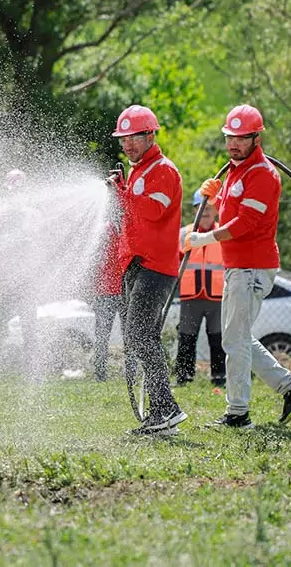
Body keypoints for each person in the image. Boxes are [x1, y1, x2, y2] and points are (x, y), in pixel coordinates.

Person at [187, 105, 291, 429]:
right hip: (238, 267)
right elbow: (230, 213)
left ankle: (238, 413)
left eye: (242, 138)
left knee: (236, 340)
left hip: (253, 268)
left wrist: (205, 239)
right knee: (237, 338)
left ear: (256, 138)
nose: (234, 144)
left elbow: (246, 223)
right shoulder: (234, 172)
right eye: (230, 137)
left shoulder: (263, 174)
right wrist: (212, 200)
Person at [108, 104, 187, 434]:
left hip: (156, 268)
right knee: (141, 337)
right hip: (137, 265)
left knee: (140, 335)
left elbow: (154, 211)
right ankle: (161, 413)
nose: (128, 145)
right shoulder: (138, 172)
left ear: (150, 135)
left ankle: (166, 408)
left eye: (134, 138)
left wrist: (123, 194)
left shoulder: (163, 171)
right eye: (123, 139)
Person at [0, 169, 42, 378]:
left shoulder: (33, 215)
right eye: (13, 190)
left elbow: (39, 244)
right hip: (1, 277)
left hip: (26, 277)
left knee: (29, 326)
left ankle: (31, 371)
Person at [175, 190, 225, 386]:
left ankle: (219, 377)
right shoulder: (183, 234)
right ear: (195, 210)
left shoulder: (222, 233)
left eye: (209, 208)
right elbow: (175, 261)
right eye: (201, 208)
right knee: (186, 336)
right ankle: (184, 377)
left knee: (218, 337)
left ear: (216, 212)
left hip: (217, 296)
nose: (204, 212)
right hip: (190, 296)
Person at [92, 203, 123, 381]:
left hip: (126, 289)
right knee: (102, 335)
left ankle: (131, 375)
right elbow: (95, 258)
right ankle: (100, 374)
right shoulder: (103, 230)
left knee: (131, 334)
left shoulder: (130, 228)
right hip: (105, 290)